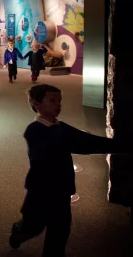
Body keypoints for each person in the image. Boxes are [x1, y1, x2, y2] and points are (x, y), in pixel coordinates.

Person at [9, 84, 131, 256]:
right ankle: (18, 232)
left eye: (59, 101)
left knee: (60, 230)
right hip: (40, 193)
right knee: (33, 227)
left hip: (62, 190)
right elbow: (75, 144)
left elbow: (89, 140)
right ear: (37, 104)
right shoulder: (34, 131)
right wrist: (76, 142)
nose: (58, 105)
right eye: (52, 101)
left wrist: (122, 146)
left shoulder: (61, 128)